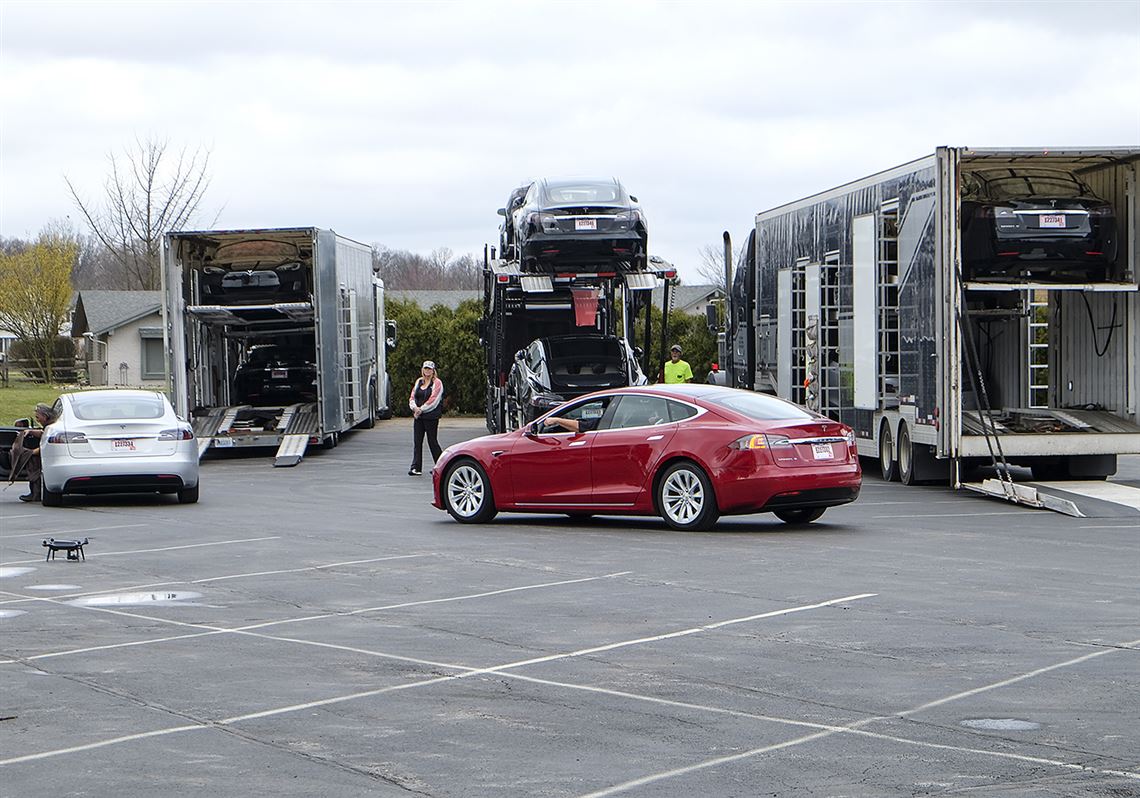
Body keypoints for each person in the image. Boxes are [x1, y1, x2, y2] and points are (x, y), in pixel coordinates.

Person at [9, 403, 56, 502]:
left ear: (45, 416)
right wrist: (30, 432)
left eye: (38, 417)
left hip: (52, 455)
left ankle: (35, 493)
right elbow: (43, 434)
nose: (37, 420)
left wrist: (33, 452)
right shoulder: (50, 426)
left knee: (32, 460)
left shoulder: (52, 428)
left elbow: (47, 443)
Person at [408, 360, 444, 476]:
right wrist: (414, 408)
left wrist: (421, 409)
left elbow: (434, 400)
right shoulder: (419, 381)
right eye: (425, 369)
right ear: (422, 370)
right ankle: (416, 467)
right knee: (417, 442)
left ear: (433, 371)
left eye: (429, 369)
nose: (427, 371)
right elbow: (412, 396)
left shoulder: (437, 383)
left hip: (431, 417)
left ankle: (441, 466)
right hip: (419, 417)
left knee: (432, 441)